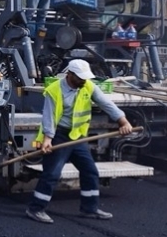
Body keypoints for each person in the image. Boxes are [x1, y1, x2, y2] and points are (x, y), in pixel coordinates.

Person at [26, 59, 134, 224]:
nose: (84, 80)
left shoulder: (88, 85)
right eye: (80, 78)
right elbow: (49, 117)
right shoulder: (54, 90)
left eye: (85, 77)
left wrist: (123, 121)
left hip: (77, 137)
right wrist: (47, 139)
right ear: (70, 75)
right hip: (58, 136)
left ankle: (89, 209)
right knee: (52, 174)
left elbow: (106, 104)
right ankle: (35, 209)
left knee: (90, 171)